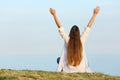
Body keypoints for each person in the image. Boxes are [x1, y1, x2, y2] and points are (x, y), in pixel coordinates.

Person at [49, 7, 100, 73]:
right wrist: (95, 14)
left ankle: (62, 68)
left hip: (68, 70)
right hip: (80, 69)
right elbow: (88, 28)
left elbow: (60, 28)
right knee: (86, 61)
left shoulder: (68, 41)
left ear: (70, 33)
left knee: (59, 59)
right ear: (78, 34)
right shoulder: (81, 40)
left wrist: (54, 15)